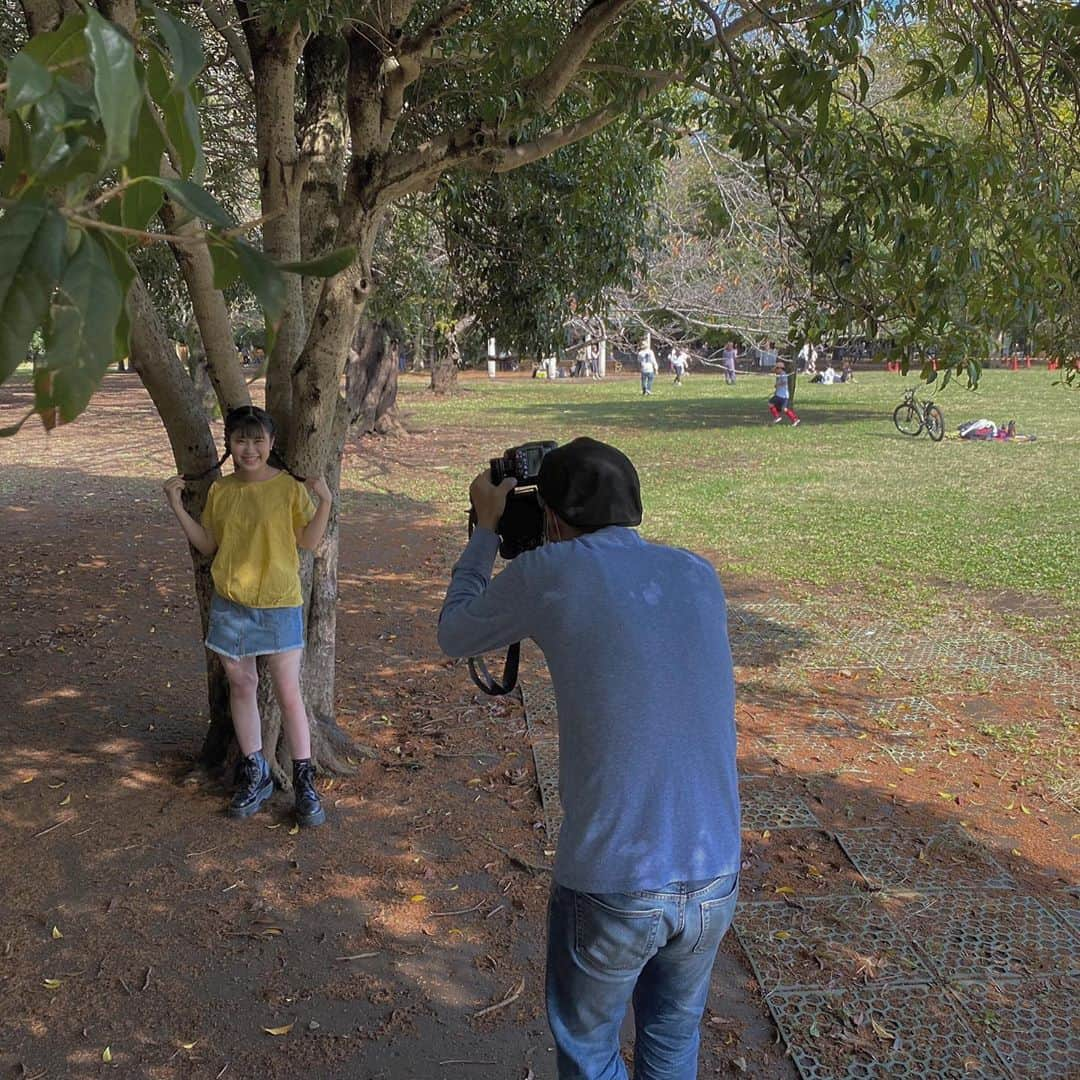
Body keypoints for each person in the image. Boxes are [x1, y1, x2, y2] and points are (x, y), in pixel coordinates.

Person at [438, 438, 740, 1080]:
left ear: (549, 518)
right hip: (715, 868)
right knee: (672, 1037)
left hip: (614, 878)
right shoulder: (696, 572)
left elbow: (455, 631)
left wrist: (487, 530)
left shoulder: (548, 574)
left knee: (590, 1049)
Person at [162, 405, 333, 826]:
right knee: (242, 685)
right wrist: (176, 505)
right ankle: (255, 772)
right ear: (230, 445)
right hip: (232, 605)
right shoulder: (222, 492)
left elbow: (309, 541)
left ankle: (304, 778)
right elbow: (208, 545)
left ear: (271, 444)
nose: (250, 448)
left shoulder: (288, 489)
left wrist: (324, 498)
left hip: (278, 604)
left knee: (289, 694)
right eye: (242, 440)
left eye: (258, 440)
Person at [768, 361, 800, 425]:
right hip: (784, 396)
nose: (775, 371)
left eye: (776, 369)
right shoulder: (780, 375)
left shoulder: (783, 374)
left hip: (780, 395)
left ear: (779, 368)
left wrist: (777, 385)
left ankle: (777, 417)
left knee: (770, 403)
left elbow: (784, 382)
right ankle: (795, 419)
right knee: (784, 409)